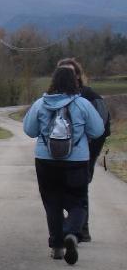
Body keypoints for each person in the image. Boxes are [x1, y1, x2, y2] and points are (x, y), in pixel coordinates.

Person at [23, 67, 104, 265]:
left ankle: (57, 247)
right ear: (74, 82)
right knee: (78, 202)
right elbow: (98, 130)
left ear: (53, 81)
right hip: (76, 161)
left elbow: (29, 130)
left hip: (45, 160)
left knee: (52, 203)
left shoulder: (41, 104)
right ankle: (72, 234)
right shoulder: (83, 104)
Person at [56, 57, 111, 242]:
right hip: (60, 151)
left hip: (86, 150)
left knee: (81, 186)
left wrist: (88, 149)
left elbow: (101, 126)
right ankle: (71, 226)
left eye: (70, 72)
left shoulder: (91, 97)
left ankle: (81, 229)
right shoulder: (54, 97)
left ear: (78, 75)